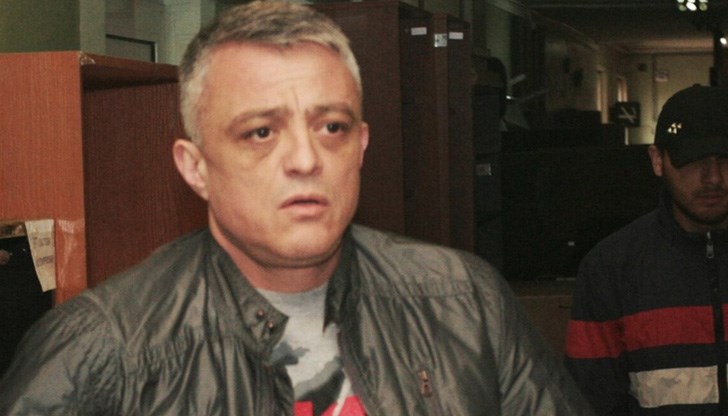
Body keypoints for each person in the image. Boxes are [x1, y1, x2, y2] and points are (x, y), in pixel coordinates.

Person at [0, 2, 593, 415]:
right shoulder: (101, 351)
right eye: (261, 132)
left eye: (332, 126)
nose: (306, 159)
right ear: (195, 167)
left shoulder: (465, 302)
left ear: (361, 147)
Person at [565, 84, 728, 415]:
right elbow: (591, 401)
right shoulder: (610, 268)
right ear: (657, 160)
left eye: (726, 158)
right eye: (693, 160)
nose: (713, 178)